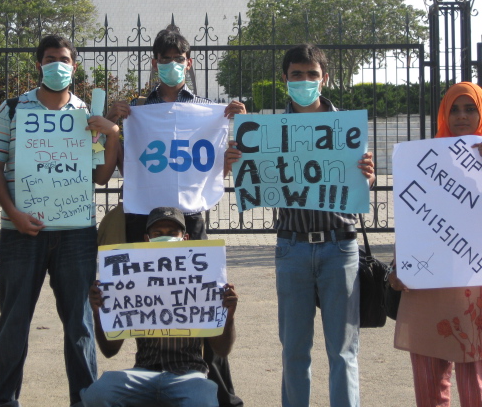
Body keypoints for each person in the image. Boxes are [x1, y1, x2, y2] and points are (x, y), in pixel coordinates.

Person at [226, 44, 375, 407]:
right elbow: (258, 180)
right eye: (297, 75)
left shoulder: (348, 129)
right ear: (284, 79)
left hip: (340, 246)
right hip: (291, 247)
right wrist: (236, 163)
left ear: (324, 78)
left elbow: (354, 185)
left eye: (312, 74)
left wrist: (366, 176)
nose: (305, 81)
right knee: (294, 351)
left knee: (343, 352)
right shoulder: (266, 131)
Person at [0, 35, 120, 407]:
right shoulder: (12, 109)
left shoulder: (84, 113)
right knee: (13, 324)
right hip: (20, 233)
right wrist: (13, 213)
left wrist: (113, 133)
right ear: (39, 65)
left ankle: (85, 400)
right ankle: (2, 401)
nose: (58, 65)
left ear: (75, 66)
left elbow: (101, 176)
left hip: (76, 235)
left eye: (65, 59)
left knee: (80, 326)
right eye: (51, 58)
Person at [106, 28, 246, 406]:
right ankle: (150, 371)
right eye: (164, 59)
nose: (172, 65)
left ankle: (218, 388)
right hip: (144, 220)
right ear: (154, 64)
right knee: (146, 293)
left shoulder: (206, 109)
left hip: (191, 220)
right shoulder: (135, 110)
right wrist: (113, 124)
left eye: (178, 58)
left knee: (203, 299)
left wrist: (233, 137)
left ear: (190, 62)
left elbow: (213, 171)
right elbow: (120, 165)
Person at [80, 206, 238, 407]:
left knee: (202, 401)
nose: (166, 237)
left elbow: (222, 350)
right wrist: (99, 312)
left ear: (186, 238)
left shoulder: (203, 280)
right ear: (147, 239)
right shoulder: (133, 278)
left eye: (173, 233)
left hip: (188, 375)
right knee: (96, 395)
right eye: (158, 233)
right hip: (143, 373)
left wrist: (229, 315)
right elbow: (110, 350)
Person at [389, 81, 482, 407]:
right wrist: (400, 265)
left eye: (470, 108)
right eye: (454, 108)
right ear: (443, 113)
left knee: (476, 391)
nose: (461, 116)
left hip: (475, 289)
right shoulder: (423, 160)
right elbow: (413, 218)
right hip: (429, 287)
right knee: (429, 388)